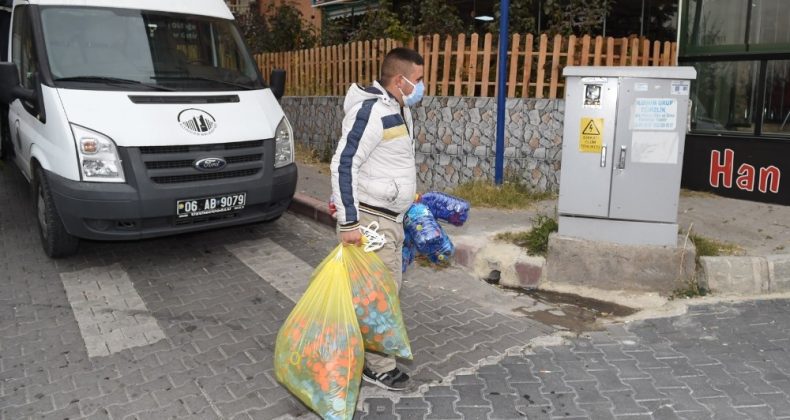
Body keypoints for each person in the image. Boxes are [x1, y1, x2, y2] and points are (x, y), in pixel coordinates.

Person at [330, 47, 424, 391]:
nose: (421, 86)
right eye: (418, 80)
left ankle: (369, 355)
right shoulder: (370, 112)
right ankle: (378, 367)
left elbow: (389, 161)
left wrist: (407, 198)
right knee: (379, 297)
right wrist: (349, 222)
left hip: (391, 218)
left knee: (384, 293)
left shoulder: (398, 109)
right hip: (372, 222)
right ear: (400, 80)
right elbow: (344, 164)